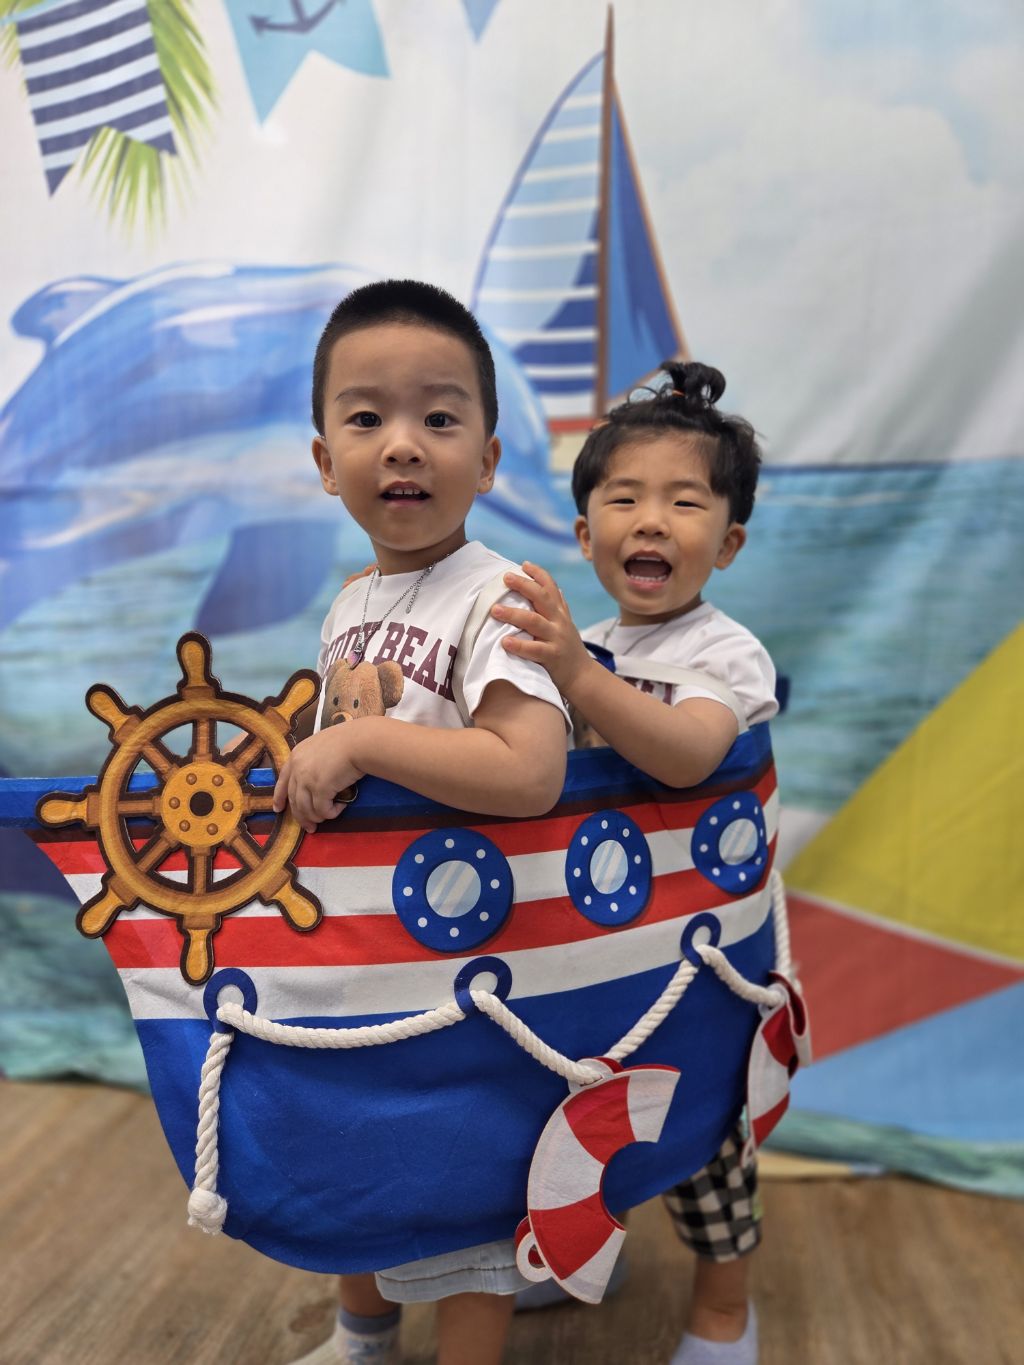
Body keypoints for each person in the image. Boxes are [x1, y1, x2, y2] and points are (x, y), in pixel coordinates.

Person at [275, 279, 569, 1365]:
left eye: (439, 418)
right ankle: (363, 1333)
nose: (402, 444)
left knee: (462, 1179)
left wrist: (359, 744)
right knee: (348, 1147)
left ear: (487, 460)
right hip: (363, 949)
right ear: (326, 462)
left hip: (470, 953)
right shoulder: (351, 603)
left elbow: (529, 770)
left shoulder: (499, 600)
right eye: (367, 418)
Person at [490, 360, 776, 1365]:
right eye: (623, 498)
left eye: (684, 502)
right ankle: (578, 1251)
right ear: (584, 535)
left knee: (704, 1132)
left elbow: (689, 754)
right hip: (596, 940)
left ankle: (723, 1308)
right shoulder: (593, 640)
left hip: (699, 948)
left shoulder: (724, 653)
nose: (650, 521)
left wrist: (574, 671)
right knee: (571, 1099)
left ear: (727, 542)